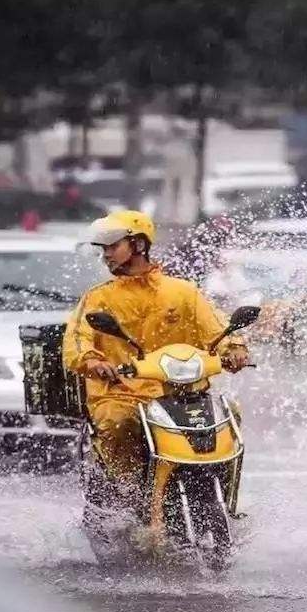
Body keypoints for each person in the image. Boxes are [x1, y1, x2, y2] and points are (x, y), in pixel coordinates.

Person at [62, 210, 250, 524]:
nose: (106, 254)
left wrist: (235, 348)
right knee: (117, 423)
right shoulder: (98, 298)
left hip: (180, 395)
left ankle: (225, 497)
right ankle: (127, 491)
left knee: (230, 416)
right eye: (103, 248)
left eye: (112, 245)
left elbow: (215, 328)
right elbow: (78, 340)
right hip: (120, 394)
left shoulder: (183, 292)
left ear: (137, 244)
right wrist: (94, 361)